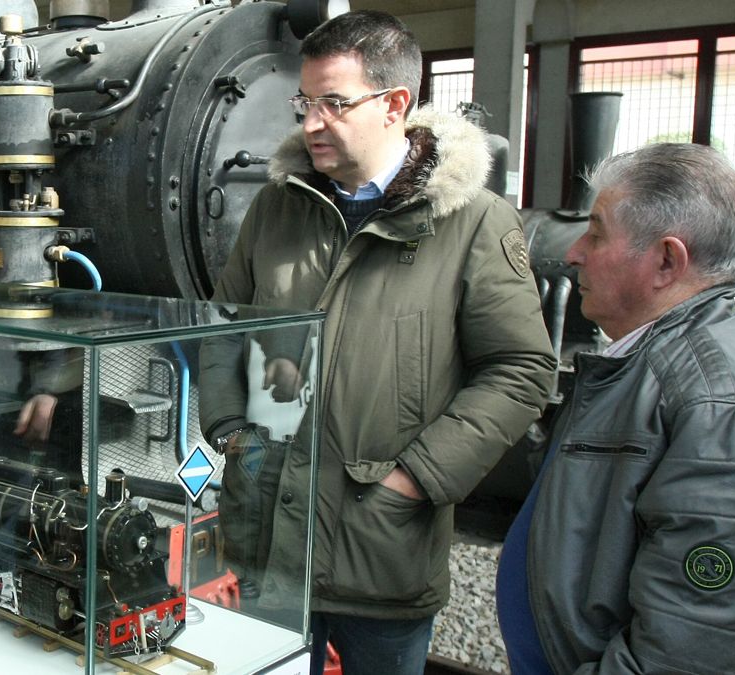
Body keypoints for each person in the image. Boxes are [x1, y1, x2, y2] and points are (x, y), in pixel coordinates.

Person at [198, 10, 556, 675]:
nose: (309, 122)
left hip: (379, 538)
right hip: (268, 530)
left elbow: (520, 369)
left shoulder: (473, 222)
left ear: (395, 104)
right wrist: (227, 426)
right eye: (304, 101)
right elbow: (225, 322)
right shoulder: (279, 208)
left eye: (334, 102)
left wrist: (415, 479)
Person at [496, 142, 735, 674]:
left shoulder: (730, 417)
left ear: (667, 261)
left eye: (597, 231)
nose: (576, 252)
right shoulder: (646, 363)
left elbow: (689, 657)